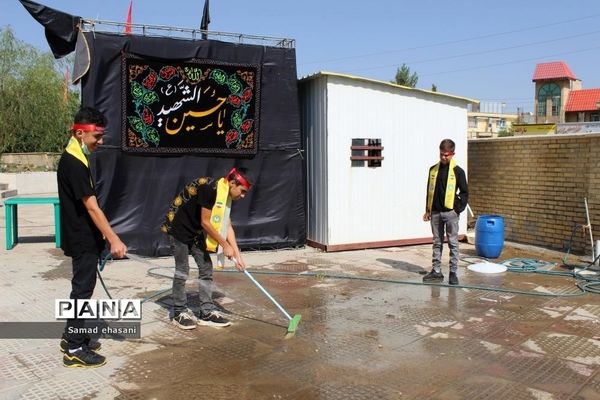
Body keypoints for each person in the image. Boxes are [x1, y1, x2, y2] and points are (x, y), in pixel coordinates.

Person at [57, 106, 128, 367]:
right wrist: (113, 239)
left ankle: (70, 336)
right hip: (82, 239)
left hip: (83, 236)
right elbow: (91, 207)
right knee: (81, 291)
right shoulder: (73, 163)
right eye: (96, 137)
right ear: (79, 133)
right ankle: (74, 350)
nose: (100, 142)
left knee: (82, 290)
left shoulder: (76, 156)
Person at [161, 167, 251, 330]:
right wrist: (224, 245)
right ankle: (178, 312)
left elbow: (227, 225)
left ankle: (206, 312)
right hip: (179, 228)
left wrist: (238, 256)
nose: (243, 196)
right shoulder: (210, 189)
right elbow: (206, 222)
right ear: (232, 183)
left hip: (195, 231)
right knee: (182, 270)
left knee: (206, 268)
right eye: (242, 191)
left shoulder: (225, 195)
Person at [422, 139, 468, 285]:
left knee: (453, 243)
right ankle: (436, 271)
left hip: (450, 213)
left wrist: (457, 209)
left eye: (446, 155)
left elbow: (465, 192)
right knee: (437, 242)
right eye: (441, 154)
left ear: (452, 154)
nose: (443, 157)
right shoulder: (433, 170)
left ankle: (453, 273)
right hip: (435, 213)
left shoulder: (458, 171)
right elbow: (429, 191)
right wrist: (428, 210)